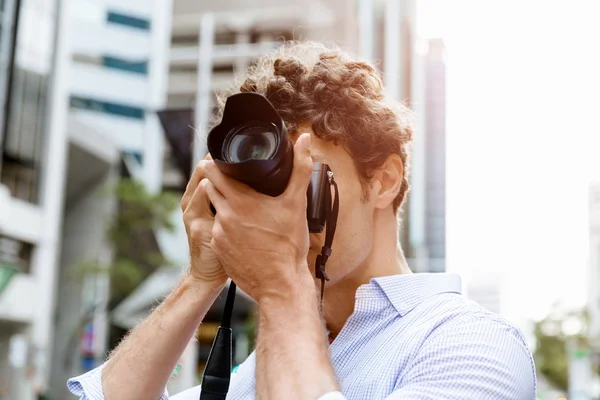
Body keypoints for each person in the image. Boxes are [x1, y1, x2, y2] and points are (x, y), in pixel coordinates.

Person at [67, 41, 536, 400]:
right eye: (270, 187)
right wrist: (201, 278)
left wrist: (279, 283)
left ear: (383, 181)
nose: (281, 209)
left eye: (304, 179)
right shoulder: (262, 361)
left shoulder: (468, 343)